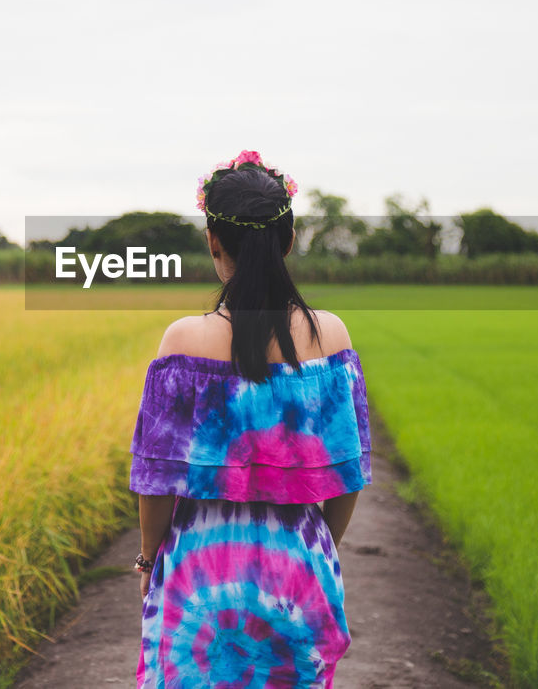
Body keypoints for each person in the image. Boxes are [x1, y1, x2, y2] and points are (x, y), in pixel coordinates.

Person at [129, 151, 372, 688]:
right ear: (287, 241)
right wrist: (318, 548)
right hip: (298, 566)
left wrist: (149, 561)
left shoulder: (183, 340)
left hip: (198, 571)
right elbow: (348, 473)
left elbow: (156, 479)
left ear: (213, 242)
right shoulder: (331, 336)